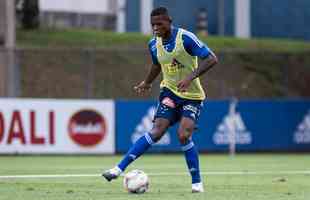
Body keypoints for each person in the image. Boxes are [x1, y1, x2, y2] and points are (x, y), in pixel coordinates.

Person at [102, 6, 218, 193]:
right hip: (169, 92)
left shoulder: (185, 38)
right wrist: (147, 82)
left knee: (184, 135)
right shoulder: (153, 44)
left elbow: (212, 59)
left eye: (159, 24)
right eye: (152, 25)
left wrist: (190, 77)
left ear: (169, 22)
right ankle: (118, 169)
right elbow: (157, 64)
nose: (155, 28)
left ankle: (197, 183)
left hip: (192, 96)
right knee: (156, 131)